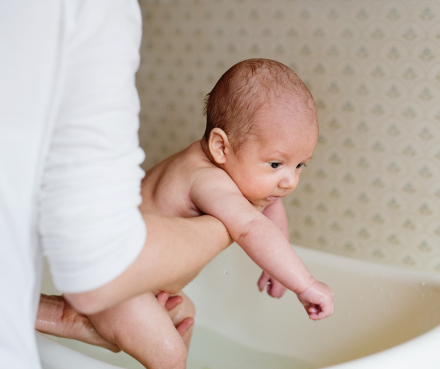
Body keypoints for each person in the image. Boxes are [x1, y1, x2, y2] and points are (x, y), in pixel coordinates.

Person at [0, 0, 230, 368]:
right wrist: (233, 225)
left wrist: (52, 313)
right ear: (220, 144)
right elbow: (101, 269)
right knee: (171, 353)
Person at [87, 58, 334, 368]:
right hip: (116, 284)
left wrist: (277, 264)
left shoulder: (233, 170)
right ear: (220, 147)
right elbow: (252, 228)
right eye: (276, 164)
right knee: (170, 355)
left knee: (184, 318)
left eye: (300, 165)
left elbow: (270, 206)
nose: (290, 181)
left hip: (142, 286)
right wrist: (305, 284)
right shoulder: (204, 179)